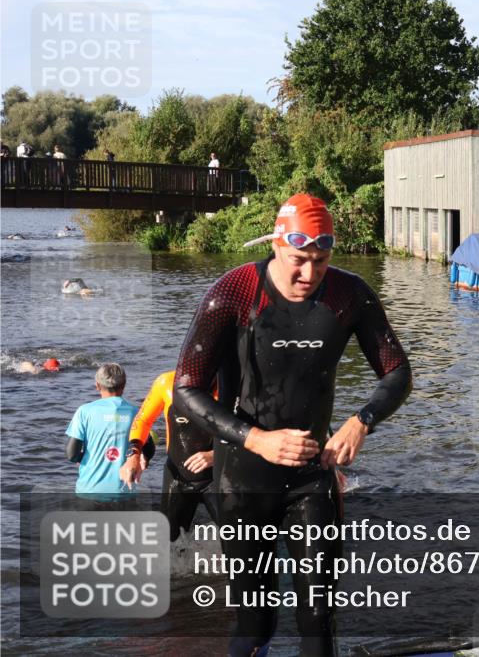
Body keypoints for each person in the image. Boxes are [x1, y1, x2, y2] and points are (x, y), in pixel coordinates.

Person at [173, 193, 412, 657]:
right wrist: (256, 439)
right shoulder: (235, 292)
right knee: (255, 619)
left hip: (311, 477)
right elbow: (187, 388)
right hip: (242, 479)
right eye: (298, 260)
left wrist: (361, 422)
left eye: (320, 262)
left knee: (318, 616)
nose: (309, 274)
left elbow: (397, 372)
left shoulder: (348, 295)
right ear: (276, 245)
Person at [119, 370, 219, 541]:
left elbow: (248, 433)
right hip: (178, 477)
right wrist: (133, 455)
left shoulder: (230, 385)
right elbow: (143, 420)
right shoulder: (165, 382)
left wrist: (215, 455)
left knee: (239, 538)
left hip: (218, 477)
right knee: (168, 541)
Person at [65, 363, 153, 501]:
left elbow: (71, 454)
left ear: (97, 385)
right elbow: (149, 448)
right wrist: (143, 459)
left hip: (89, 491)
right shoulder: (137, 413)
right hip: (125, 492)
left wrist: (82, 458)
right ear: (124, 385)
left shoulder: (85, 411)